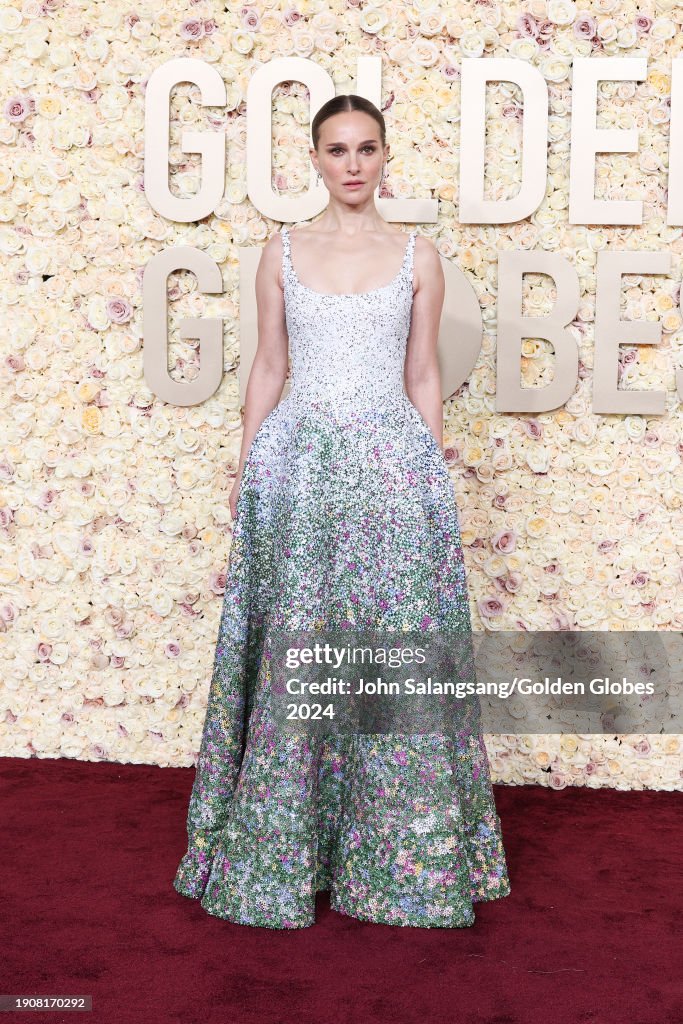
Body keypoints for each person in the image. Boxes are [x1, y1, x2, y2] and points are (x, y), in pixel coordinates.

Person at [173, 94, 511, 928]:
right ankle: (288, 843)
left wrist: (431, 471)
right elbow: (268, 367)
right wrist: (247, 466)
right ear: (315, 159)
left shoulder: (418, 255)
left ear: (385, 156)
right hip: (298, 466)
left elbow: (422, 373)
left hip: (392, 467)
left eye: (365, 148)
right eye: (336, 149)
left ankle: (395, 855)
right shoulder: (281, 251)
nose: (352, 164)